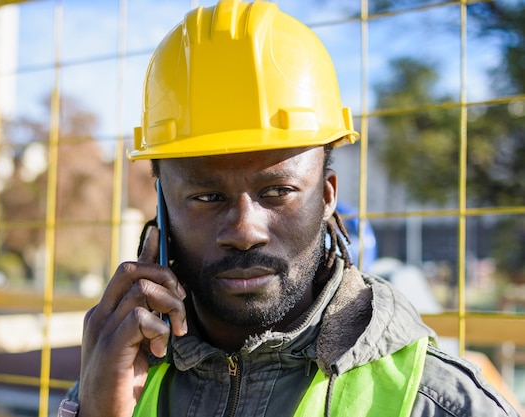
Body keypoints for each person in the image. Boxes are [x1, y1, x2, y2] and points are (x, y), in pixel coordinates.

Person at [58, 1, 521, 416]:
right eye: (206, 197)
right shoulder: (116, 375)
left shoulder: (437, 404)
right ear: (161, 206)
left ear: (326, 196)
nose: (244, 231)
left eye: (277, 191)